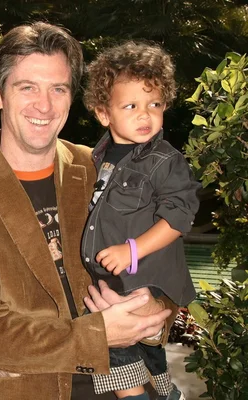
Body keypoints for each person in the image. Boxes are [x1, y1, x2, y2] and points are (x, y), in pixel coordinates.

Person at [0, 22, 174, 400]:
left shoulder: (105, 168)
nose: (44, 106)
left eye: (57, 89)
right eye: (27, 87)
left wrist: (154, 314)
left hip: (135, 382)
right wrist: (96, 336)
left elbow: (163, 265)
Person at [81, 42, 200, 400]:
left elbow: (179, 216)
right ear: (104, 113)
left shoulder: (164, 160)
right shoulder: (97, 157)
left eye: (155, 105)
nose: (145, 115)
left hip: (144, 277)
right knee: (147, 355)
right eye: (131, 106)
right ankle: (168, 394)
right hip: (114, 276)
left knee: (113, 349)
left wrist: (131, 250)